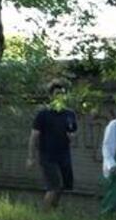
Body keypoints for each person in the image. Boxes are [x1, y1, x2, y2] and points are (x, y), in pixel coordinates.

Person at [27, 81, 78, 209]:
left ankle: (51, 213)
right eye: (57, 94)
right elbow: (34, 136)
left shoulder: (69, 114)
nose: (60, 96)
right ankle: (42, 216)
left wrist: (73, 137)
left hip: (64, 156)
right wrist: (30, 157)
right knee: (54, 186)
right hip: (47, 155)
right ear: (51, 96)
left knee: (62, 187)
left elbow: (73, 133)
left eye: (62, 94)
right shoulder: (43, 114)